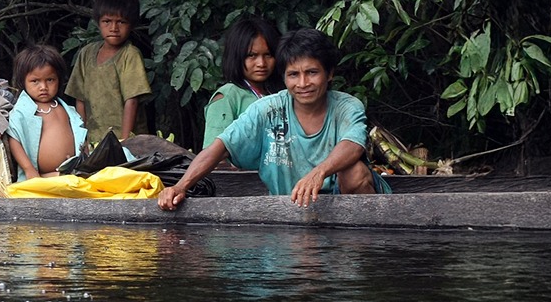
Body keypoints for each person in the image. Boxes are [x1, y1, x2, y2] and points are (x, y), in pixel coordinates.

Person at [158, 28, 391, 210]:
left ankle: (359, 251)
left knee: (355, 173)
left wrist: (318, 173)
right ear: (284, 77)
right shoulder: (268, 109)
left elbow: (352, 145)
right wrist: (180, 187)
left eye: (312, 73)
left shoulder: (347, 106)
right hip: (290, 207)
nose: (303, 84)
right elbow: (220, 146)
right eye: (293, 75)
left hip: (346, 206)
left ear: (329, 74)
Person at [65, 0, 152, 144]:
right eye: (107, 21)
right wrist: (82, 138)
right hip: (94, 139)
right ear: (98, 22)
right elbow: (80, 99)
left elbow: (131, 101)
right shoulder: (86, 53)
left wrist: (125, 142)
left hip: (128, 140)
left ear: (131, 25)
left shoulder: (130, 54)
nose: (114, 28)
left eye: (121, 22)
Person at [6, 44, 88, 180]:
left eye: (50, 80)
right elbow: (14, 139)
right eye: (35, 81)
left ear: (59, 79)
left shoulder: (66, 109)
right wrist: (28, 169)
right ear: (23, 81)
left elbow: (80, 134)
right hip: (39, 176)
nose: (43, 87)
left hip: (73, 171)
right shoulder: (23, 111)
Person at [202, 15, 282, 150]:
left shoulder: (277, 93)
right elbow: (213, 157)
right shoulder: (228, 96)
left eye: (268, 55)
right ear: (236, 56)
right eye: (252, 55)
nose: (261, 63)